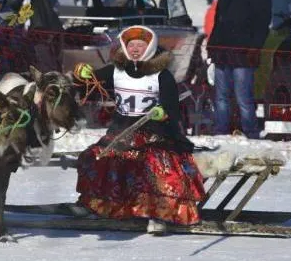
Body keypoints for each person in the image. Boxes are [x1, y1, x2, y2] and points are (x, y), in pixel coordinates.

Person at [74, 25, 205, 235]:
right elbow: (86, 84)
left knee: (154, 166)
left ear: (150, 47)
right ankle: (96, 205)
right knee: (97, 159)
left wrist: (163, 113)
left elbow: (172, 108)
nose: (135, 49)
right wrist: (82, 74)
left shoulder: (162, 76)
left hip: (155, 134)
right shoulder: (115, 71)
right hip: (122, 131)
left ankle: (160, 214)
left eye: (140, 45)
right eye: (131, 45)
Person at [207, 0, 272, 138]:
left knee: (243, 96)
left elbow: (263, 20)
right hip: (222, 49)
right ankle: (221, 131)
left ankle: (250, 133)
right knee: (220, 96)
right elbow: (219, 18)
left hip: (244, 51)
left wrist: (255, 47)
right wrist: (212, 43)